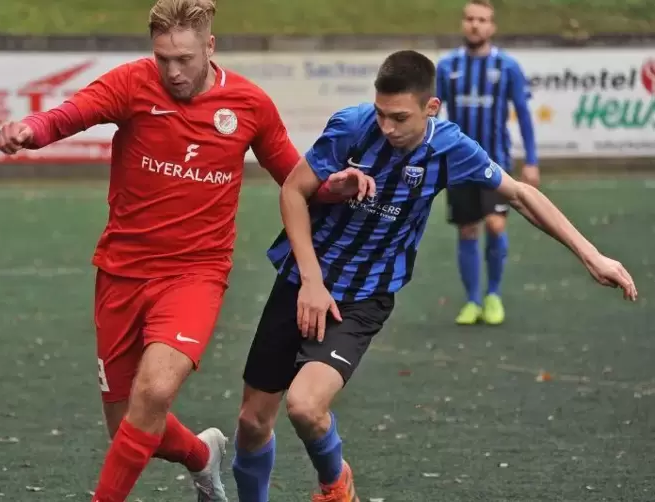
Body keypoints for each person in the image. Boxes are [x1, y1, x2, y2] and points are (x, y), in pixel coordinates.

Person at [0, 1, 372, 501]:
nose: (172, 71)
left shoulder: (249, 104)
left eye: (184, 59)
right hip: (121, 271)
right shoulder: (131, 83)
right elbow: (70, 114)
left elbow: (293, 176)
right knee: (129, 426)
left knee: (151, 395)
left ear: (210, 47)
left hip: (195, 275)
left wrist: (333, 187)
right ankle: (202, 455)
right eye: (163, 58)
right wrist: (31, 131)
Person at [231, 49, 637, 502]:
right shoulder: (350, 126)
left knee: (305, 408)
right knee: (251, 423)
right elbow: (293, 190)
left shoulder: (449, 147)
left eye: (399, 118)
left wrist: (591, 255)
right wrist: (310, 279)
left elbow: (520, 195)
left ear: (431, 108)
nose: (387, 127)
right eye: (381, 114)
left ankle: (334, 484)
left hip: (364, 295)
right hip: (301, 281)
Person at [436, 0, 539, 325]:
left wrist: (532, 160)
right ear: (463, 23)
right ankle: (472, 301)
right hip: (458, 162)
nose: (475, 25)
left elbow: (523, 114)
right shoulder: (447, 66)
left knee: (495, 225)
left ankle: (493, 295)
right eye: (470, 19)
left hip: (496, 161)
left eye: (482, 20)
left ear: (492, 26)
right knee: (467, 229)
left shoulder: (507, 66)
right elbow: (433, 114)